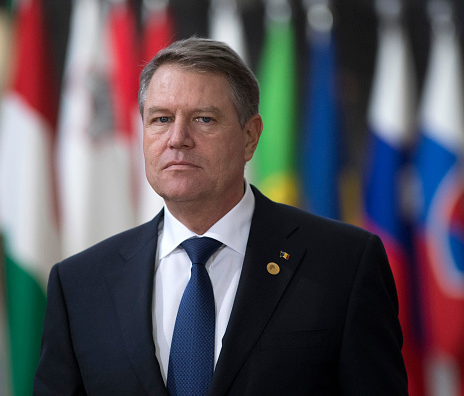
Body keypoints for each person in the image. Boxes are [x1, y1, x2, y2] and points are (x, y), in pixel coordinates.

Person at [33, 37, 407, 395]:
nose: (177, 138)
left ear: (250, 136)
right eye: (161, 119)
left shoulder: (344, 264)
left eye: (204, 120)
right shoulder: (80, 284)